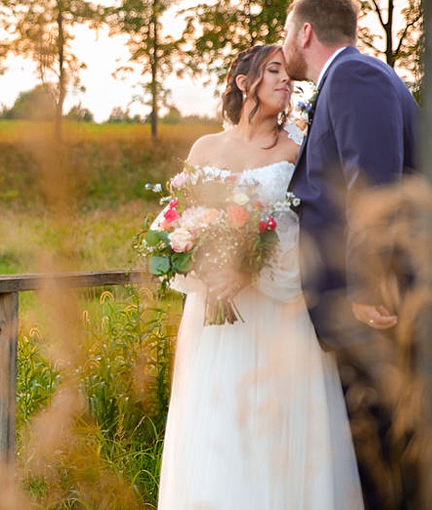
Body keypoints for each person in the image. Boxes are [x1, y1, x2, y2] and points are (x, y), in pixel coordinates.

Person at [156, 44, 363, 509]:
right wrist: (207, 265)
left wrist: (247, 266)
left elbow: (311, 228)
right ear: (243, 82)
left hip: (277, 313)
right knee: (219, 426)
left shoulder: (299, 147)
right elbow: (176, 221)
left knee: (279, 427)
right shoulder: (205, 148)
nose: (284, 80)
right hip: (216, 325)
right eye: (273, 71)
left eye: (287, 74)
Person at [282, 0, 420, 509]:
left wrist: (365, 284)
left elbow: (374, 185)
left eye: (285, 34)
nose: (284, 46)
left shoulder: (355, 76)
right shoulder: (350, 78)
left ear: (306, 32)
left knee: (384, 455)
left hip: (373, 305)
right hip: (361, 306)